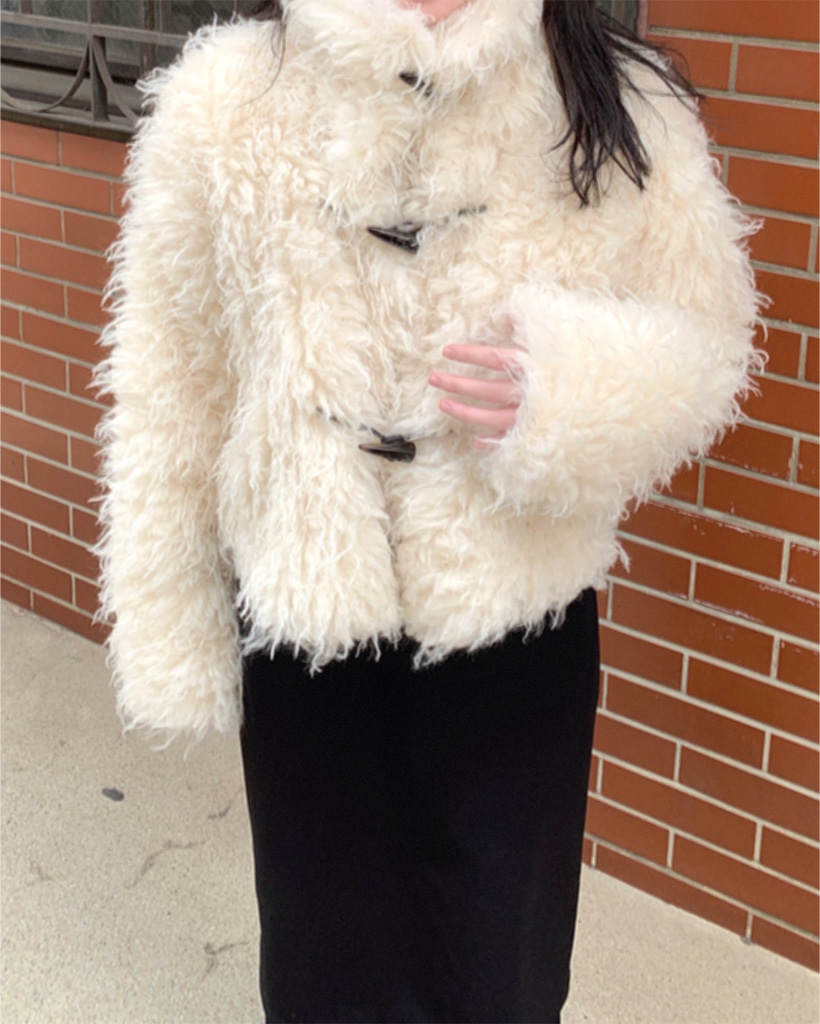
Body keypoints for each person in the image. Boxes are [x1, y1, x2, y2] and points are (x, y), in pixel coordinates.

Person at [95, 1, 761, 1021]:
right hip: (312, 634)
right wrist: (169, 618)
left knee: (499, 972)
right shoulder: (226, 98)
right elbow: (174, 379)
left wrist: (567, 389)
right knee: (321, 971)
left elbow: (709, 336)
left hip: (515, 632)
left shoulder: (615, 98)